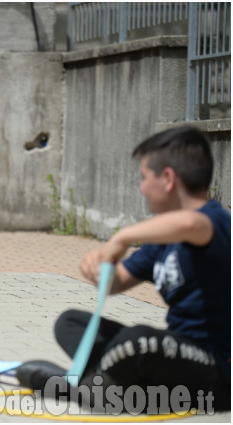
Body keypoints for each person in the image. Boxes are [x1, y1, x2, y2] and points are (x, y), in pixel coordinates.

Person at [16, 126, 230, 413]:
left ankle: (88, 389)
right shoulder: (161, 243)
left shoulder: (214, 220)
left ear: (167, 179)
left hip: (213, 371)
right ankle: (118, 387)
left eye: (144, 177)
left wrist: (122, 237)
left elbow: (191, 224)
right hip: (170, 358)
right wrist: (97, 268)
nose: (141, 187)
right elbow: (117, 284)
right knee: (70, 323)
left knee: (140, 339)